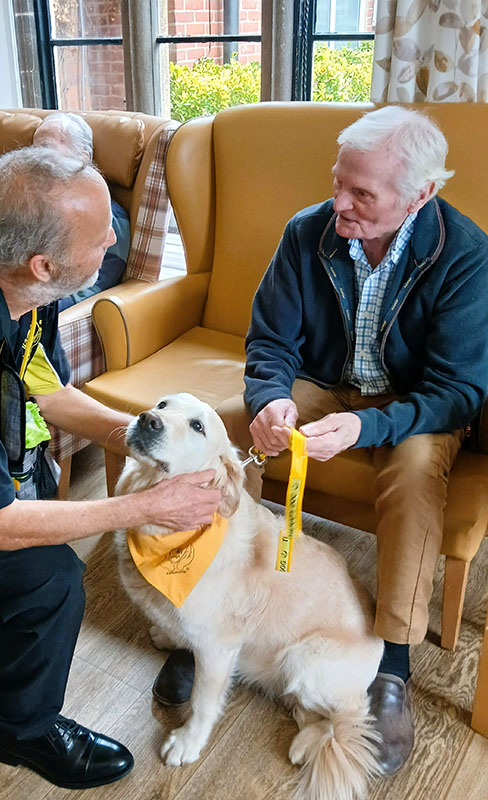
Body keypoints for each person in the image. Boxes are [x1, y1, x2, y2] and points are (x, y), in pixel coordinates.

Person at [0, 146, 223, 790]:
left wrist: (138, 437)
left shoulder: (22, 289)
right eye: (102, 236)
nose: (113, 240)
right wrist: (147, 507)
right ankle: (21, 730)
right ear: (43, 261)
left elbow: (46, 392)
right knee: (51, 576)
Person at [185, 106, 488, 775]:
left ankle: (393, 663)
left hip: (414, 406)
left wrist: (368, 426)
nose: (339, 203)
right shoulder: (306, 233)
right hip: (323, 384)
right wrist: (270, 401)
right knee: (228, 426)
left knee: (412, 478)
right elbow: (269, 342)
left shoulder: (467, 256)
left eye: (361, 194)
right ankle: (209, 600)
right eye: (337, 183)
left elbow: (459, 391)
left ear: (421, 195)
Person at [32, 112, 131, 307]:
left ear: (82, 157)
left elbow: (87, 293)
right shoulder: (31, 204)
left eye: (45, 148)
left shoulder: (110, 220)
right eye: (32, 150)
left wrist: (29, 310)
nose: (34, 159)